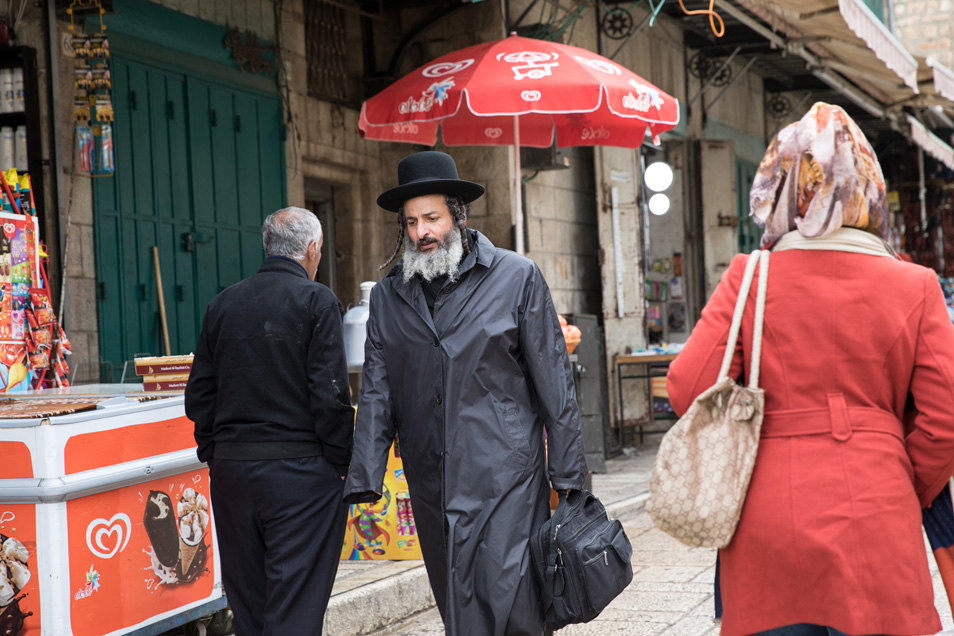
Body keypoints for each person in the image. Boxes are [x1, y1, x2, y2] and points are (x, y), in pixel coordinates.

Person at [667, 102, 954, 636]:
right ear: (866, 186)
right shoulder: (914, 285)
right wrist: (901, 477)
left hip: (767, 515)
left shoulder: (751, 277)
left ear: (783, 189)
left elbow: (687, 388)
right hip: (879, 506)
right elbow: (946, 417)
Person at [343, 151, 587, 636]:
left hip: (506, 475)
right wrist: (366, 473)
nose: (421, 232)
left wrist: (569, 477)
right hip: (430, 477)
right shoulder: (389, 296)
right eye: (411, 222)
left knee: (514, 600)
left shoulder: (516, 277)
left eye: (432, 218)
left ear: (459, 216)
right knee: (457, 601)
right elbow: (377, 389)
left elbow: (555, 383)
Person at [185, 207, 354, 636]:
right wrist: (342, 463)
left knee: (250, 605)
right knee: (294, 604)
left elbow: (199, 395)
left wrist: (216, 454)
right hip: (301, 474)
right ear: (312, 249)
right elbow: (331, 396)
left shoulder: (223, 303)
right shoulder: (317, 300)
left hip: (232, 474)